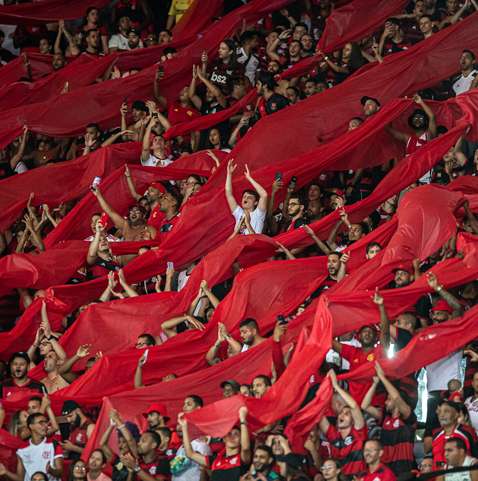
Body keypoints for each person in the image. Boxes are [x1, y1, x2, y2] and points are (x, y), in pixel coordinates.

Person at [362, 363, 416, 475]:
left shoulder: (408, 418)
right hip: (386, 471)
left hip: (403, 471)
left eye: (388, 399)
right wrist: (375, 384)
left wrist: (382, 377)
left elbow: (396, 397)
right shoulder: (384, 418)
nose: (385, 402)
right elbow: (364, 406)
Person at [179, 407, 251, 481]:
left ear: (241, 439)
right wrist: (184, 426)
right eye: (229, 434)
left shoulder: (242, 458)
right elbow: (190, 453)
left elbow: (245, 448)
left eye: (236, 434)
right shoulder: (215, 460)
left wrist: (242, 420)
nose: (232, 437)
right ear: (224, 439)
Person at [319, 370, 367, 476]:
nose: (341, 415)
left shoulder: (358, 431)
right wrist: (324, 387)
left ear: (353, 419)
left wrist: (336, 386)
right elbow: (318, 414)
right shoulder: (333, 435)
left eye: (346, 414)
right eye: (340, 413)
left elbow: (354, 406)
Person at [0, 412, 63, 481]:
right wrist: (6, 472)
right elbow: (20, 479)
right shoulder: (22, 450)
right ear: (31, 426)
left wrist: (51, 471)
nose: (45, 425)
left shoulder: (54, 444)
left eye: (46, 422)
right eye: (41, 423)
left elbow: (60, 472)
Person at [92, 186, 156, 241]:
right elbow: (110, 211)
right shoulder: (125, 225)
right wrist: (98, 195)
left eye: (137, 211)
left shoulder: (149, 229)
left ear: (143, 215)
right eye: (131, 211)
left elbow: (157, 248)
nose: (133, 213)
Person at [225, 159, 268, 236]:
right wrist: (229, 174)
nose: (245, 198)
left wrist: (249, 178)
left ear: (256, 203)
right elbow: (229, 194)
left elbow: (264, 195)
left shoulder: (258, 213)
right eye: (244, 197)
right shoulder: (239, 213)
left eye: (249, 197)